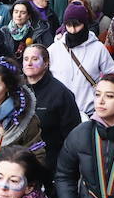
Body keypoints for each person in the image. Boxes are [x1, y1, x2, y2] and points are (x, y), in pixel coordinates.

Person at [48, 4, 114, 116]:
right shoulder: (54, 49)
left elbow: (113, 76)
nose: (73, 30)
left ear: (85, 24)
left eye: (77, 25)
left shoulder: (98, 48)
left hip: (90, 112)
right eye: (68, 25)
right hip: (59, 113)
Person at [21, 42, 80, 175]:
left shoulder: (61, 93)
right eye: (26, 59)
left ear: (46, 63)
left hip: (49, 164)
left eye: (35, 59)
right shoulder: (14, 89)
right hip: (17, 163)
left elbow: (72, 135)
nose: (29, 63)